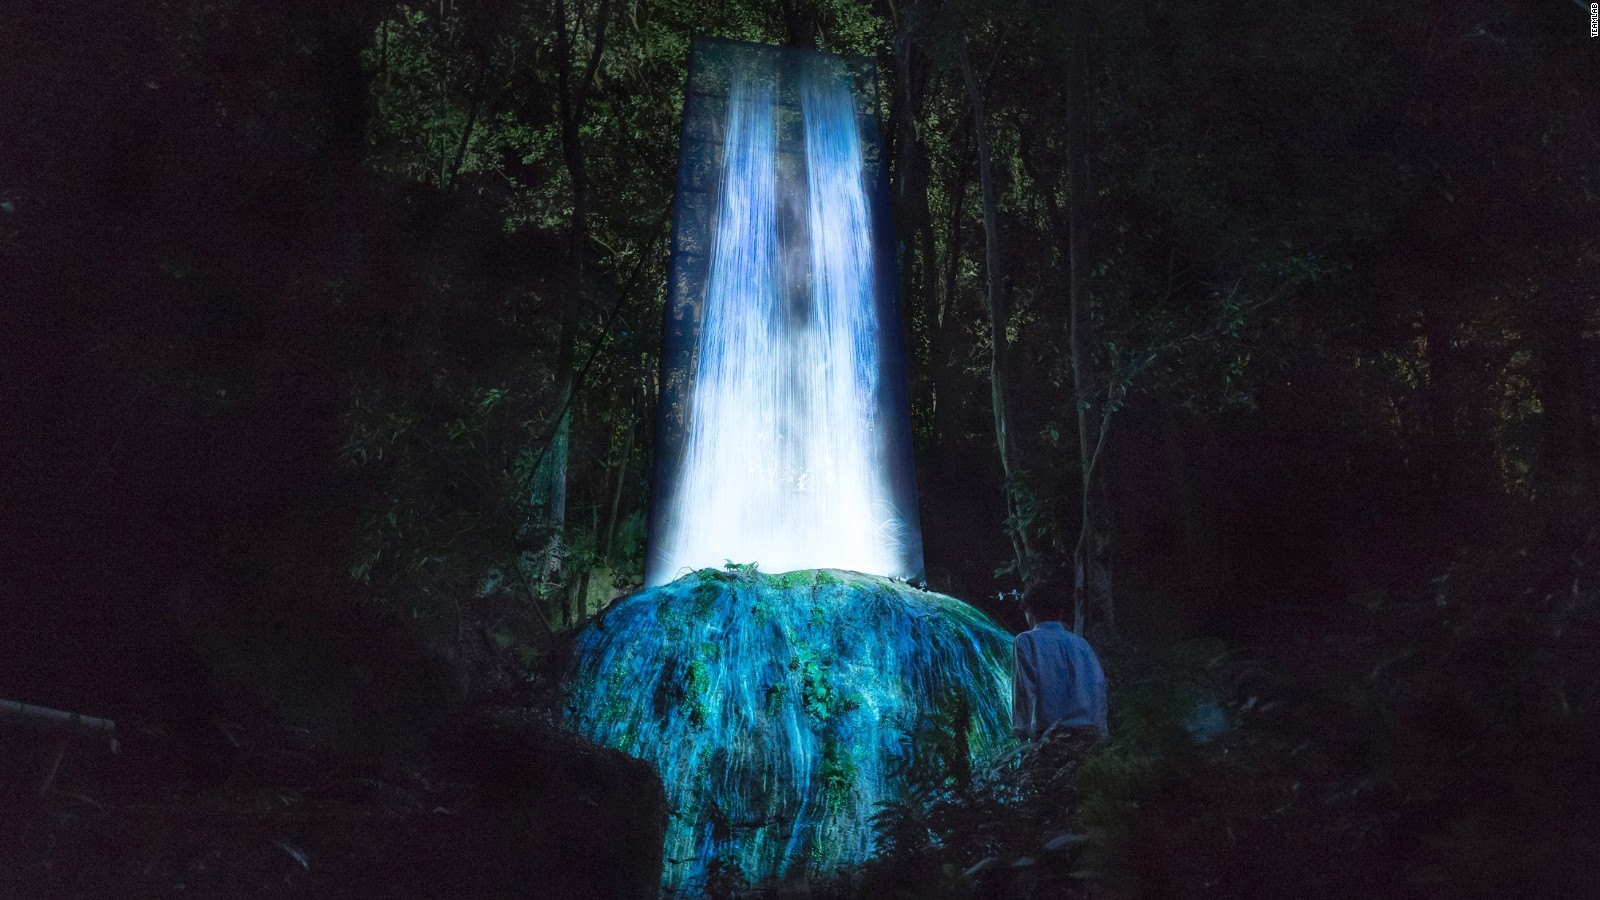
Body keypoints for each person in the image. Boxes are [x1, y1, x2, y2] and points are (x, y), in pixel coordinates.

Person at [1012, 581, 1108, 739]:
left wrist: (1021, 733)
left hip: (1052, 736)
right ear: (1060, 611)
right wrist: (1102, 733)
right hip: (1089, 735)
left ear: (1028, 610)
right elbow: (1099, 687)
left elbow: (1024, 690)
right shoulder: (1080, 643)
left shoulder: (1026, 640)